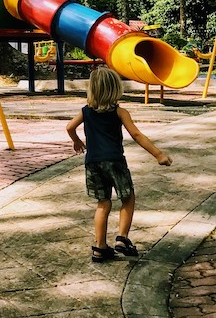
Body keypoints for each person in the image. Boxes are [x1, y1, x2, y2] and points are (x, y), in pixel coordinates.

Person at [66, 65, 172, 262]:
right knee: (127, 198)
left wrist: (77, 141)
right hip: (115, 161)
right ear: (115, 89)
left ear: (92, 89)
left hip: (93, 163)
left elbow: (69, 127)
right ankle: (122, 238)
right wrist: (158, 154)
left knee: (103, 203)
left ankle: (99, 247)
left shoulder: (86, 112)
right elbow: (137, 134)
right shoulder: (120, 112)